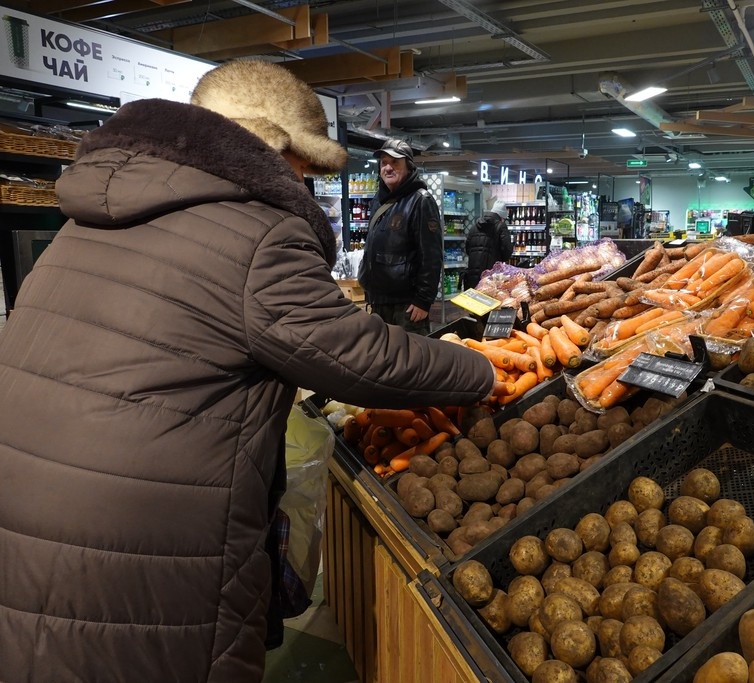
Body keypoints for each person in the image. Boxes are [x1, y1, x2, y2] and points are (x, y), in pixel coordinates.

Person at [0, 59, 496, 683]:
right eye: (305, 171)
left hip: (27, 508)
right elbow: (355, 353)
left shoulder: (88, 218)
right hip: (148, 533)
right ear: (273, 146)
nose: (307, 188)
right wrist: (483, 371)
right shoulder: (255, 227)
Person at [358, 138, 443, 334]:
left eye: (394, 162)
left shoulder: (421, 201)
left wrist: (423, 300)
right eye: (384, 162)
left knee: (411, 362)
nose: (388, 167)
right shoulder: (378, 202)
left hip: (406, 308)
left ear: (409, 166)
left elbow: (431, 256)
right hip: (379, 303)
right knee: (384, 361)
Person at [464, 199, 513, 289]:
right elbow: (507, 250)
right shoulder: (501, 226)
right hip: (491, 274)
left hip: (473, 274)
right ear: (502, 217)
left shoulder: (475, 226)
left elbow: (467, 249)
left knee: (475, 300)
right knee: (489, 299)